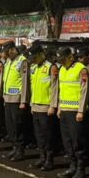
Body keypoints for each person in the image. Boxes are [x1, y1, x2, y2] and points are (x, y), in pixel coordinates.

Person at [56, 46, 89, 178]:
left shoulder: (81, 69)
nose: (61, 62)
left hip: (76, 112)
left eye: (63, 59)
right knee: (67, 141)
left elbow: (84, 91)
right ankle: (72, 166)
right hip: (64, 110)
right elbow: (61, 89)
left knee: (78, 142)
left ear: (70, 57)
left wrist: (81, 110)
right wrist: (59, 107)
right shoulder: (62, 69)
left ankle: (81, 170)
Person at [29, 43, 58, 171]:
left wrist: (53, 105)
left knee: (48, 135)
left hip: (46, 107)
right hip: (35, 106)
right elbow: (32, 87)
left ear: (41, 54)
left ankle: (49, 159)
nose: (33, 59)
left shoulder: (51, 67)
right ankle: (42, 156)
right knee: (39, 135)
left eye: (35, 56)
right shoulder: (34, 68)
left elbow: (54, 87)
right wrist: (31, 104)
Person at [0, 41, 29, 161]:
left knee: (18, 126)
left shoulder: (22, 61)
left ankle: (20, 150)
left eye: (6, 52)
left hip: (17, 100)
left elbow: (25, 82)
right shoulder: (8, 61)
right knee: (10, 126)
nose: (4, 55)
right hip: (8, 99)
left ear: (12, 49)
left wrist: (23, 101)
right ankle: (14, 147)